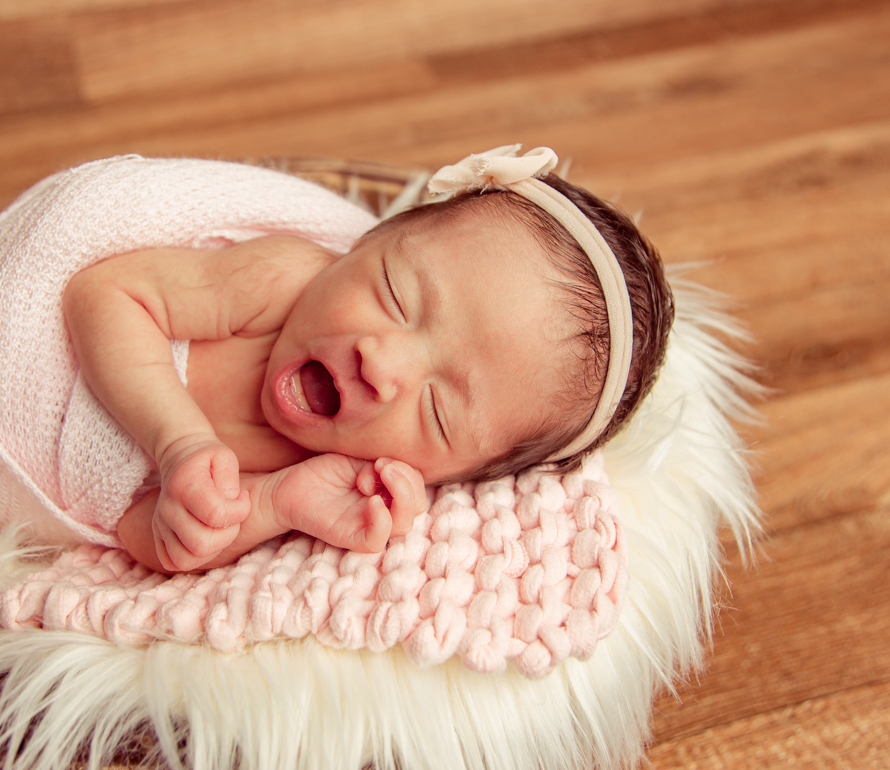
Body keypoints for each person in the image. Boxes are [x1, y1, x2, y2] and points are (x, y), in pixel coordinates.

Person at [60, 145, 672, 574]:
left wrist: (277, 503)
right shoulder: (279, 281)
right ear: (367, 240)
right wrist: (178, 443)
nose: (383, 367)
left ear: (453, 477)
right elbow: (107, 294)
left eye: (437, 410)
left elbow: (134, 532)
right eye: (396, 296)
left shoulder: (318, 466)